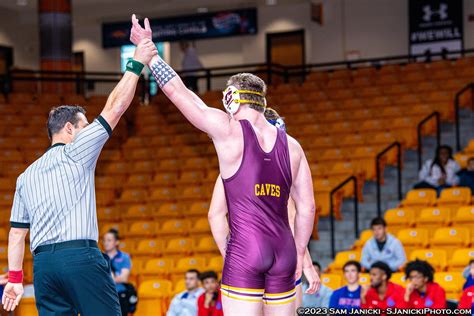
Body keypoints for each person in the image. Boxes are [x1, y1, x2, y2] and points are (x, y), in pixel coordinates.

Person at [130, 16, 316, 316]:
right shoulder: (292, 145)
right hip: (283, 250)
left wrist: (149, 52)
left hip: (246, 249)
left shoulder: (228, 129)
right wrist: (298, 252)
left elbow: (179, 93)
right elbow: (306, 208)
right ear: (261, 101)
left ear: (232, 98)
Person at [1, 35, 157, 314]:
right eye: (84, 126)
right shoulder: (77, 150)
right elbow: (115, 108)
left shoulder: (25, 176)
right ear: (70, 130)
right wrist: (137, 64)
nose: (87, 131)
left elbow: (15, 234)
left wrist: (14, 279)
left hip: (44, 267)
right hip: (80, 257)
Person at [206, 107, 319, 310]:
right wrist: (306, 264)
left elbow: (215, 214)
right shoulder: (284, 163)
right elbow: (295, 216)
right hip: (282, 259)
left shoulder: (234, 165)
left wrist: (231, 255)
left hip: (247, 256)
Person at [103, 229, 133, 316]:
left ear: (116, 242)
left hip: (120, 295)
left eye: (109, 240)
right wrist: (114, 278)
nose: (106, 243)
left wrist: (108, 278)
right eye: (104, 240)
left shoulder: (124, 257)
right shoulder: (100, 258)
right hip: (104, 295)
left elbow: (124, 278)